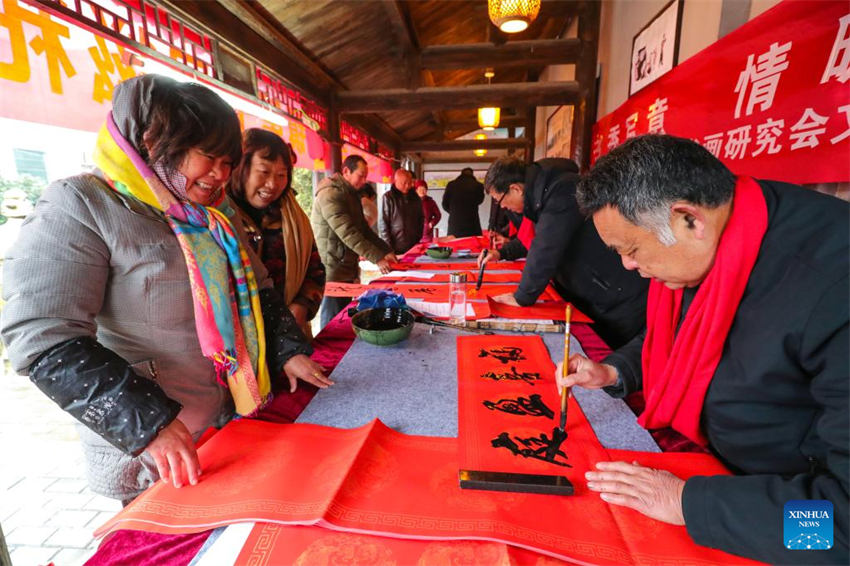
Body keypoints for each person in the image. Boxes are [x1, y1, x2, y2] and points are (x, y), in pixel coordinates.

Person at [0, 75, 332, 504]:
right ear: (153, 141)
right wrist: (148, 422)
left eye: (228, 162)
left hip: (228, 422)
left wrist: (288, 350)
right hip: (157, 450)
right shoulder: (82, 204)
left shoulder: (214, 212)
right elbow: (42, 335)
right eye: (209, 157)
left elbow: (259, 287)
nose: (221, 174)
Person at [557, 134, 848, 564]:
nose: (628, 266)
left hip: (786, 503)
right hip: (721, 464)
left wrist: (691, 506)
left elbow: (840, 528)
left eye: (632, 249)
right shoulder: (727, 228)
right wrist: (614, 371)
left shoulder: (833, 285)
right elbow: (678, 335)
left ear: (687, 219)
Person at [479, 156, 648, 349]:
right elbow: (534, 239)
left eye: (499, 200)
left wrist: (521, 297)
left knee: (616, 352)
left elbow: (546, 246)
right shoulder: (541, 197)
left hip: (615, 291)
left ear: (516, 189)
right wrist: (502, 253)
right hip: (595, 287)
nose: (502, 207)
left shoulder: (562, 190)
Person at [227, 128, 325, 339]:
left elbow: (314, 267)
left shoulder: (292, 215)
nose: (273, 184)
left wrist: (302, 304)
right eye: (264, 172)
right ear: (241, 168)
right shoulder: (219, 215)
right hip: (237, 338)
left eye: (281, 175)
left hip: (290, 333)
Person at [311, 155, 396, 328]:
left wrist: (385, 250)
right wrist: (377, 258)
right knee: (332, 319)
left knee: (343, 315)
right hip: (333, 265)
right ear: (346, 171)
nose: (364, 181)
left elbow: (364, 230)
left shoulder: (351, 195)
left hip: (346, 265)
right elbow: (348, 233)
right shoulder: (330, 194)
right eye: (361, 176)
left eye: (366, 177)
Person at [380, 168, 423, 255]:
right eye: (404, 183)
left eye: (409, 183)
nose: (407, 186)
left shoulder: (415, 197)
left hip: (414, 245)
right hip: (395, 247)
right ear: (396, 181)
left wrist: (418, 237)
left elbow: (421, 218)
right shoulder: (388, 197)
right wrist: (388, 248)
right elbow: (383, 224)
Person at [442, 167, 484, 237]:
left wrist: (454, 212)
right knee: (473, 243)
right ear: (472, 175)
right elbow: (480, 200)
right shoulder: (478, 185)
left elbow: (444, 204)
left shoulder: (451, 185)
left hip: (455, 225)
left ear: (461, 174)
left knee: (454, 243)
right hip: (472, 225)